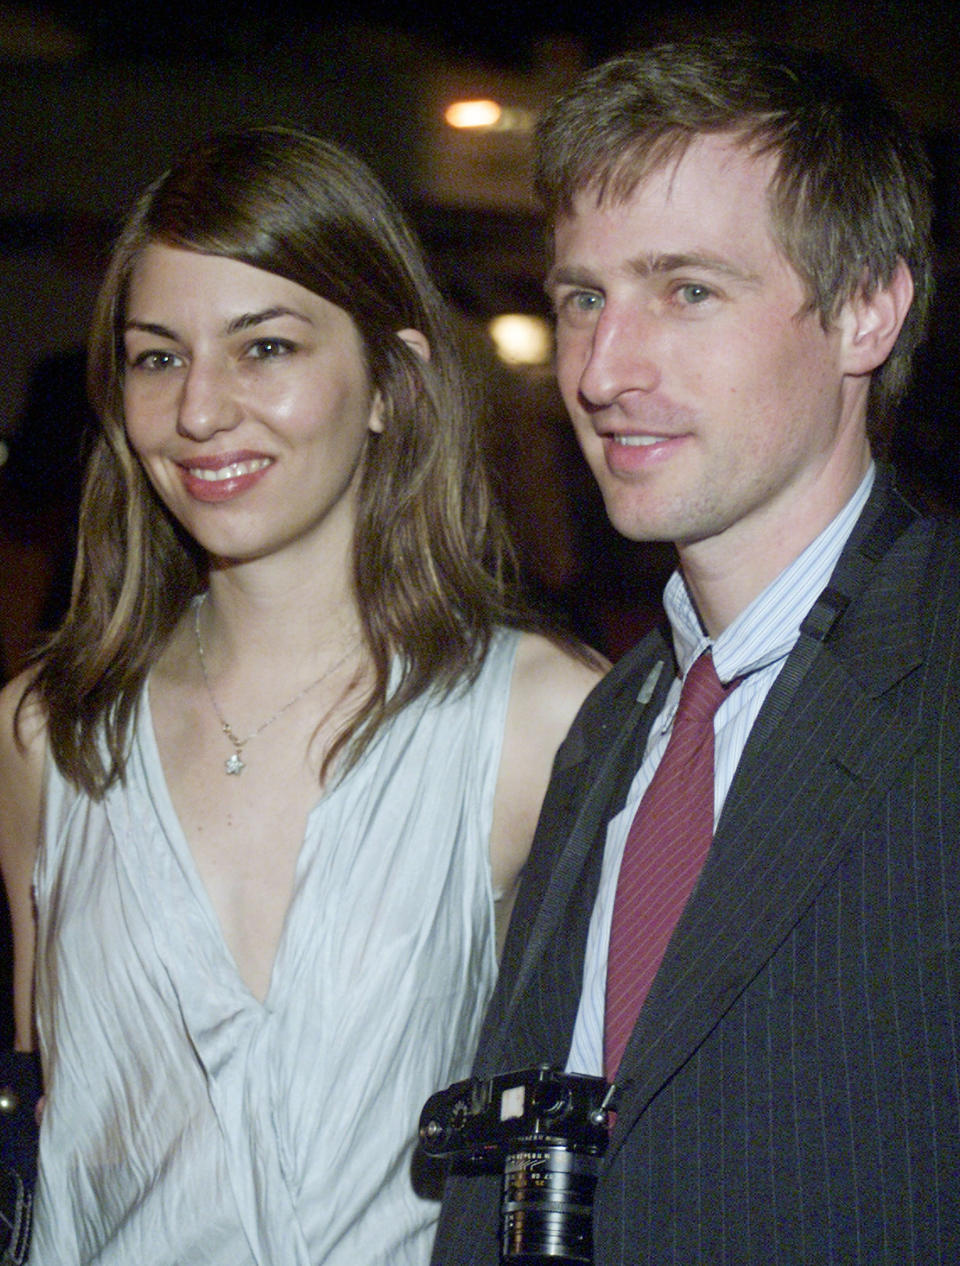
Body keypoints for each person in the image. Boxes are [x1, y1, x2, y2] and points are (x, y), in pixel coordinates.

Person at [0, 127, 604, 1265]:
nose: (201, 411)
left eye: (265, 346)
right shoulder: (49, 735)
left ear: (392, 380)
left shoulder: (536, 722)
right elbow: (48, 1130)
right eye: (158, 357)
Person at [430, 35, 960, 1264]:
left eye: (687, 290)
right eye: (581, 298)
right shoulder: (617, 722)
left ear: (868, 309)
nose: (605, 370)